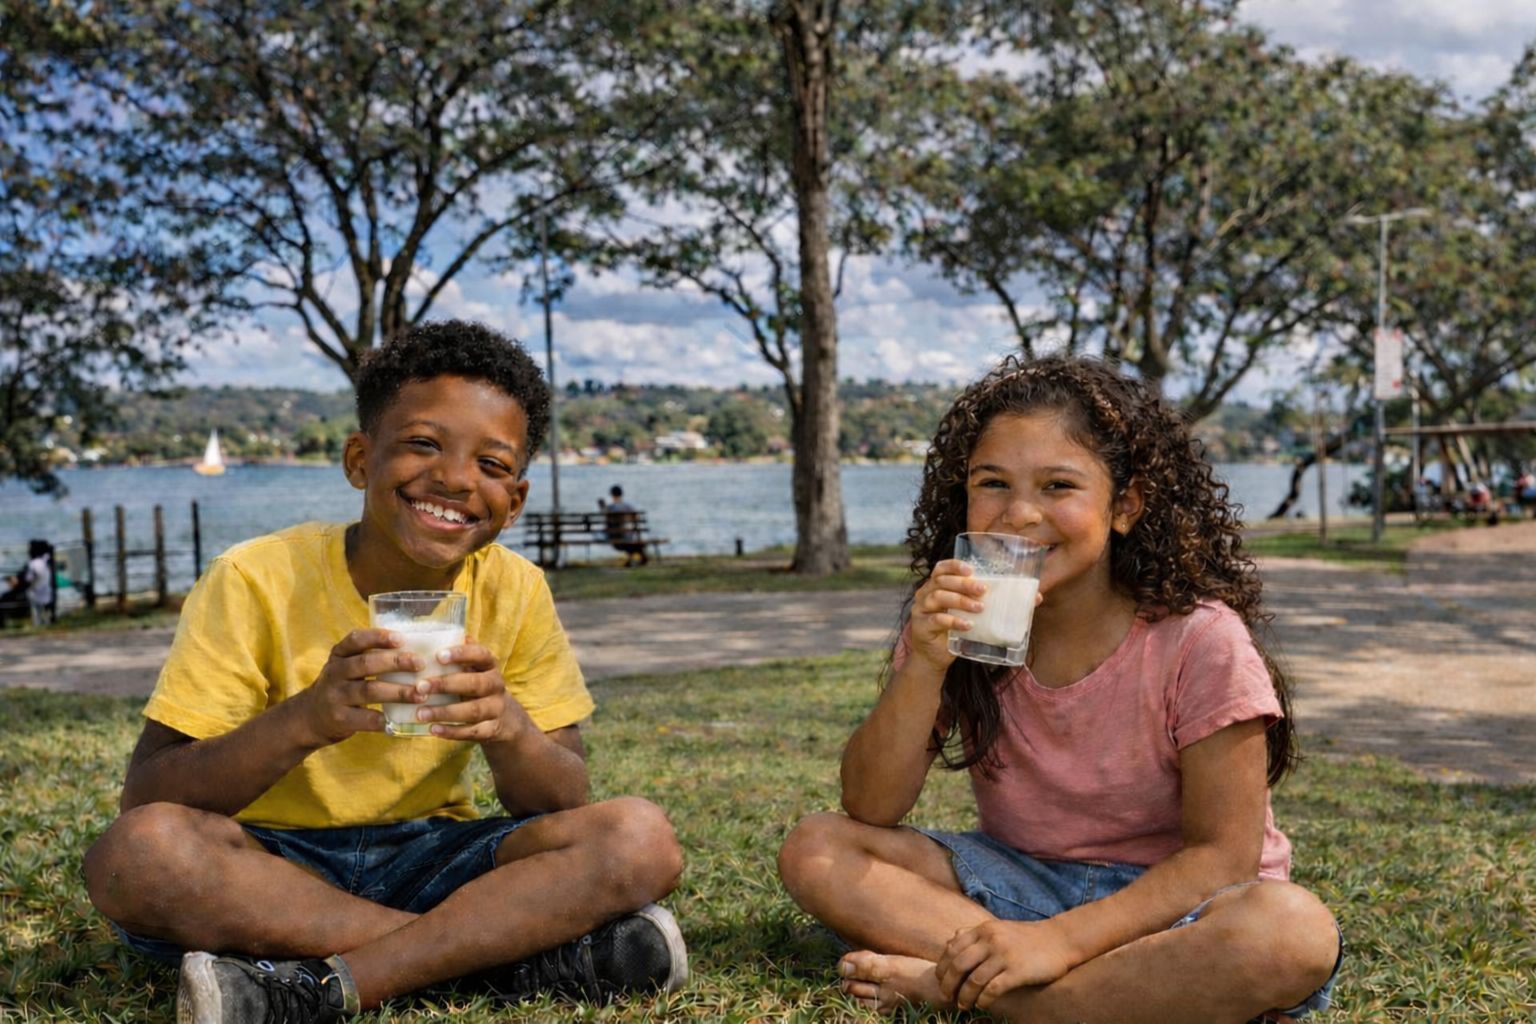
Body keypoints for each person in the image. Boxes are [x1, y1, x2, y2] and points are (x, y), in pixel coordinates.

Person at [83, 321, 688, 1023]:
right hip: (273, 864)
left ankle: (322, 982)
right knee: (140, 854)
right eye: (424, 444)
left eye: (492, 465)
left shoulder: (515, 588)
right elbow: (150, 796)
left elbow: (560, 799)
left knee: (639, 837)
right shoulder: (255, 577)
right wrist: (304, 720)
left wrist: (510, 730)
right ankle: (488, 958)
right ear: (360, 460)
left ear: (515, 501)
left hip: (434, 854)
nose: (456, 479)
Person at [777, 355, 1341, 1023]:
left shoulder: (1199, 640)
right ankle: (1094, 995)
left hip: (1175, 907)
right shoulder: (956, 620)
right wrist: (924, 665)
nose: (1019, 515)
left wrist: (1057, 943)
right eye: (992, 483)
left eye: (1058, 486)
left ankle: (1004, 997)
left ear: (1124, 507)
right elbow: (869, 804)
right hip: (1022, 882)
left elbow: (1224, 857)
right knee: (817, 846)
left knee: (1291, 932)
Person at [604, 485, 649, 567]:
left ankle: (636, 559)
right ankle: (640, 557)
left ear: (612, 495)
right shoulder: (627, 506)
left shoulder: (609, 508)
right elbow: (636, 518)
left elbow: (606, 522)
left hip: (613, 538)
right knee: (632, 540)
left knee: (631, 542)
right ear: (621, 494)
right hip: (625, 537)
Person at [23, 539, 54, 627]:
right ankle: (44, 622)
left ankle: (37, 623)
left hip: (35, 593)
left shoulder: (34, 564)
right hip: (47, 592)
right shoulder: (46, 561)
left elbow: (29, 579)